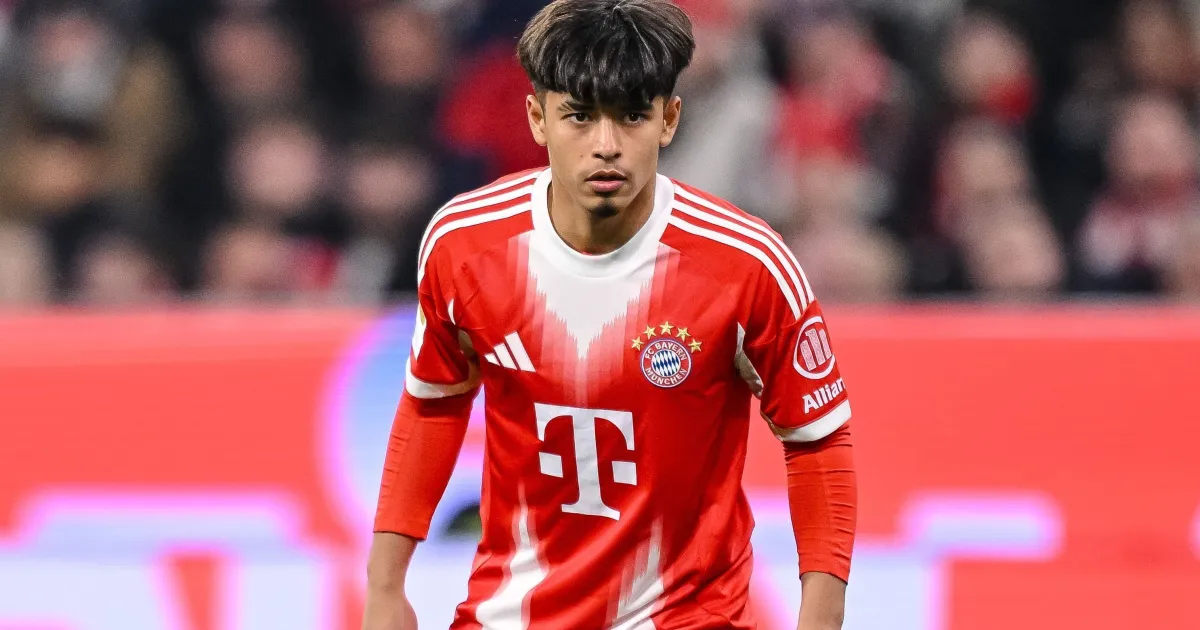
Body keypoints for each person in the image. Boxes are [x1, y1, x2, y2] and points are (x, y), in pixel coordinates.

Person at [362, 2, 857, 629]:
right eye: (579, 116)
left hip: (687, 618)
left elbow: (818, 442)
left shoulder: (747, 264)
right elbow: (434, 403)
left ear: (668, 119)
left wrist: (821, 620)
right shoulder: (465, 244)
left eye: (632, 116)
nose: (606, 146)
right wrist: (385, 586)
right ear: (537, 118)